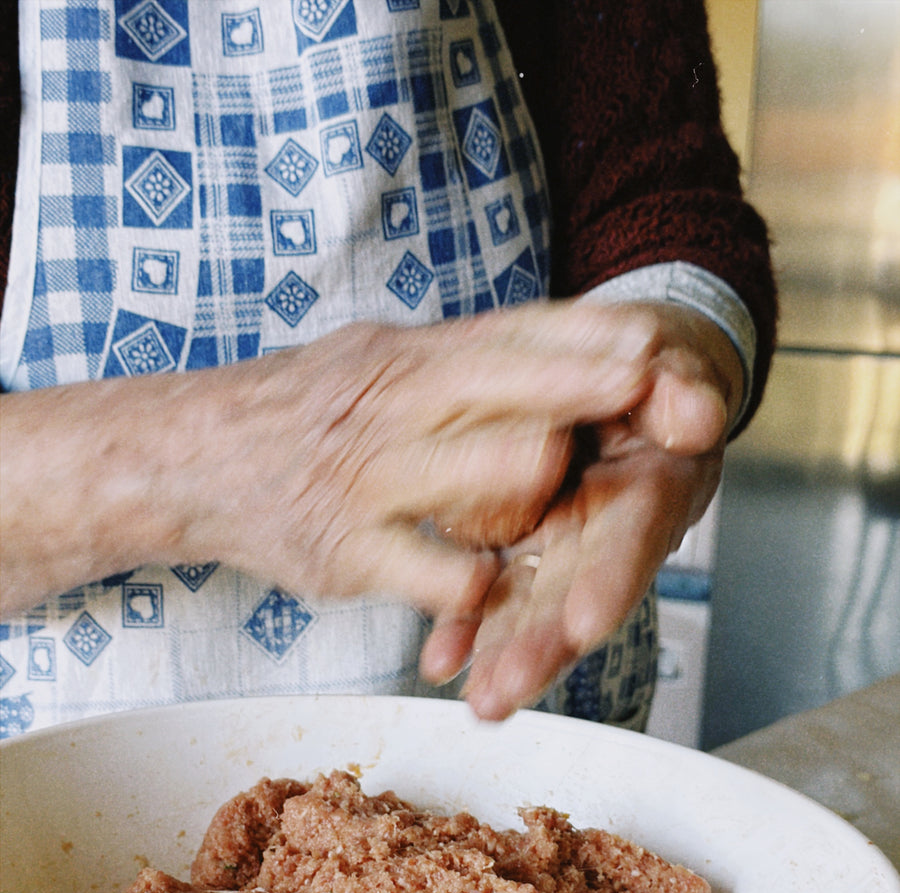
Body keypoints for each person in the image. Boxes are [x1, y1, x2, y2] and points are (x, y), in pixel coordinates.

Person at [0, 0, 776, 738]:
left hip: (511, 678)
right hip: (55, 761)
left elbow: (659, 187)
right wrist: (205, 460)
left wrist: (672, 348)